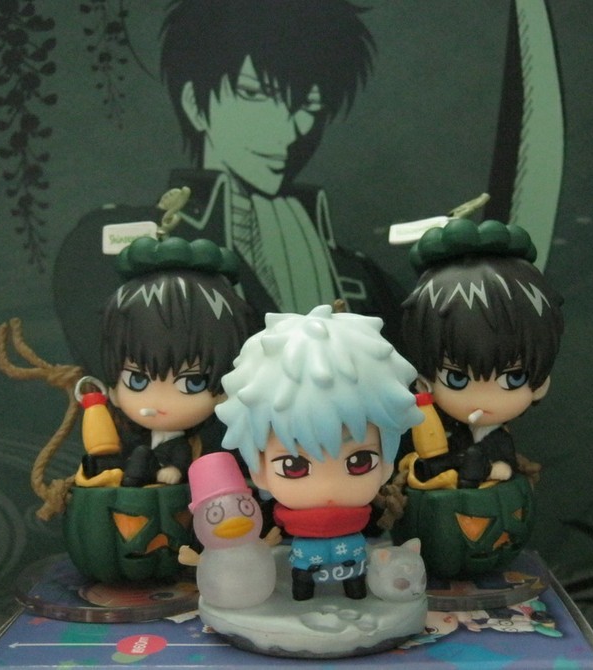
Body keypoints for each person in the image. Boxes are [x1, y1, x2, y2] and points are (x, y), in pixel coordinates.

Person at [54, 0, 405, 377]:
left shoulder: (359, 274)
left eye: (308, 106)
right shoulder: (110, 246)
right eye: (257, 95)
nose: (288, 131)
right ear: (195, 103)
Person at [215, 305, 423, 600]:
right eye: (293, 466)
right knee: (302, 583)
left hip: (352, 552)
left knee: (355, 581)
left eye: (360, 461)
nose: (327, 487)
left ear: (386, 465)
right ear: (259, 471)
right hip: (303, 555)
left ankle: (352, 592)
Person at [400, 219, 564, 487]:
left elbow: (502, 468)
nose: (483, 400)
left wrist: (491, 469)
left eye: (513, 378)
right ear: (423, 381)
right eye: (457, 379)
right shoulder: (439, 429)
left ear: (540, 385)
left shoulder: (498, 441)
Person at [81, 236, 252, 487]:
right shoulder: (125, 435)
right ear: (114, 389)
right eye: (137, 380)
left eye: (192, 382)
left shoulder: (215, 445)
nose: (160, 402)